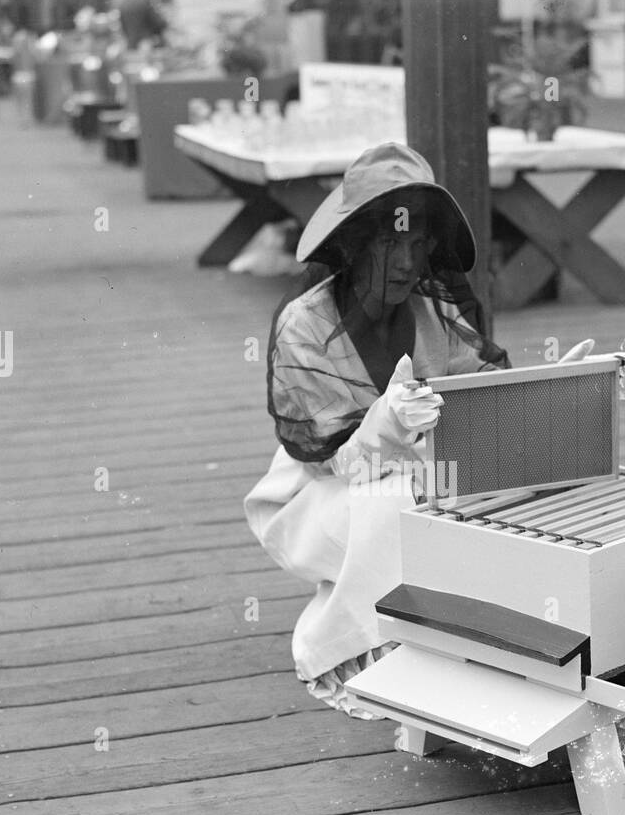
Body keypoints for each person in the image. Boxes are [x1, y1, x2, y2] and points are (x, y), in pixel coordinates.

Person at [244, 142, 591, 716]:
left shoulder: (435, 312)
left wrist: (556, 387)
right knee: (394, 504)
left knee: (495, 488)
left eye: (418, 242)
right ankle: (350, 652)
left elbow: (487, 406)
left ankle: (468, 645)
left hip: (420, 479)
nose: (407, 261)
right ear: (354, 244)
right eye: (390, 241)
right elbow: (337, 464)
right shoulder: (306, 325)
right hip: (314, 498)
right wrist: (385, 426)